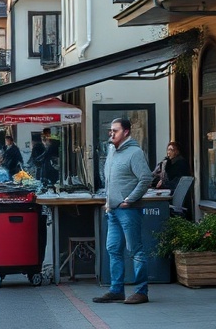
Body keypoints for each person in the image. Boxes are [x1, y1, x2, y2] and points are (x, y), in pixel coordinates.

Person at [93, 117, 153, 306]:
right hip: (112, 210)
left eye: (115, 130)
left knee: (135, 250)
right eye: (110, 130)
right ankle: (116, 290)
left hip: (128, 211)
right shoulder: (112, 150)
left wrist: (130, 199)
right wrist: (108, 200)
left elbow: (146, 178)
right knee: (113, 249)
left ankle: (141, 291)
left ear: (126, 132)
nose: (111, 134)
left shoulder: (135, 153)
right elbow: (110, 179)